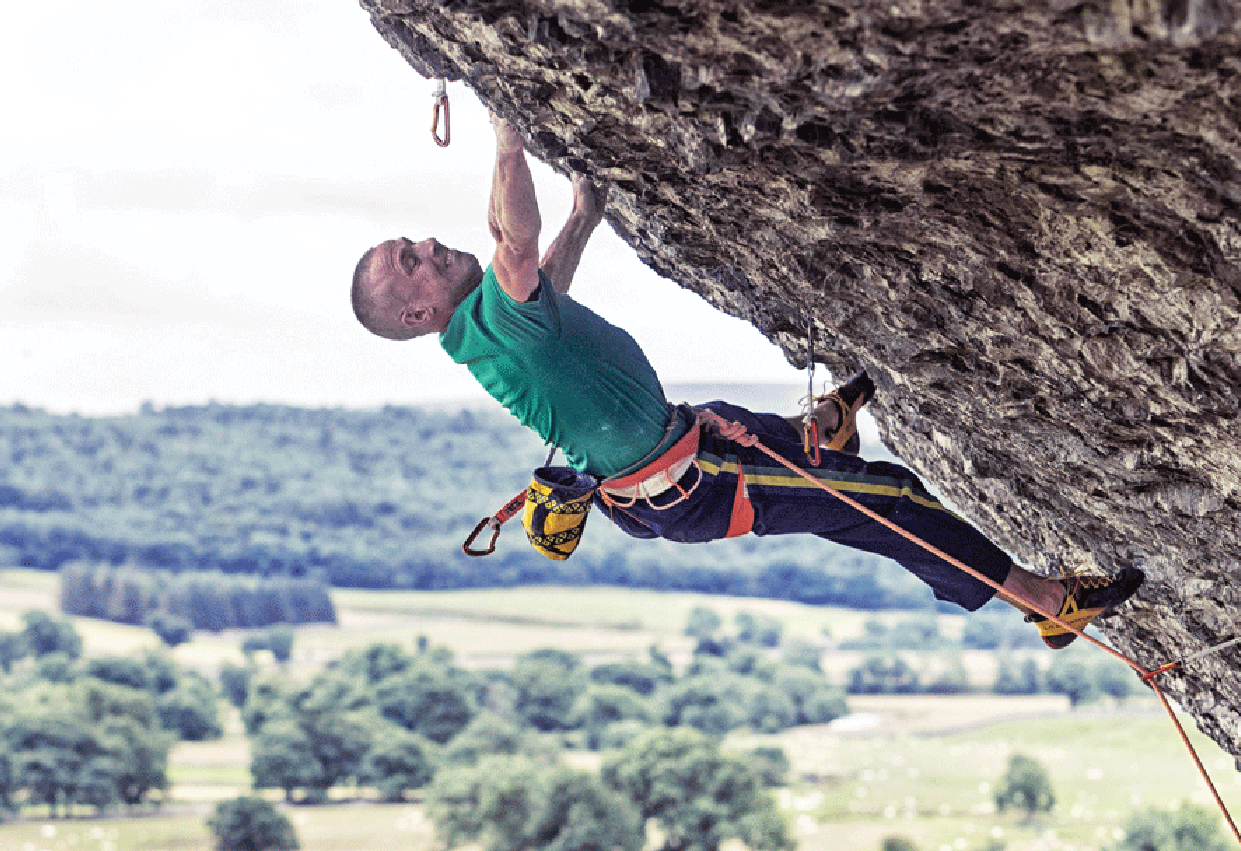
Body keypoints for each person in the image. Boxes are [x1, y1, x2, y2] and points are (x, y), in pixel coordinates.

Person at [349, 115, 1142, 648]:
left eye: (408, 241)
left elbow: (543, 276)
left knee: (757, 429)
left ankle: (826, 427)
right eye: (407, 262)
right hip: (691, 481)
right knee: (889, 502)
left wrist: (586, 214)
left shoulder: (495, 320)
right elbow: (515, 242)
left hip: (683, 449)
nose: (423, 243)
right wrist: (508, 139)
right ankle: (1043, 603)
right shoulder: (488, 325)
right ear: (417, 313)